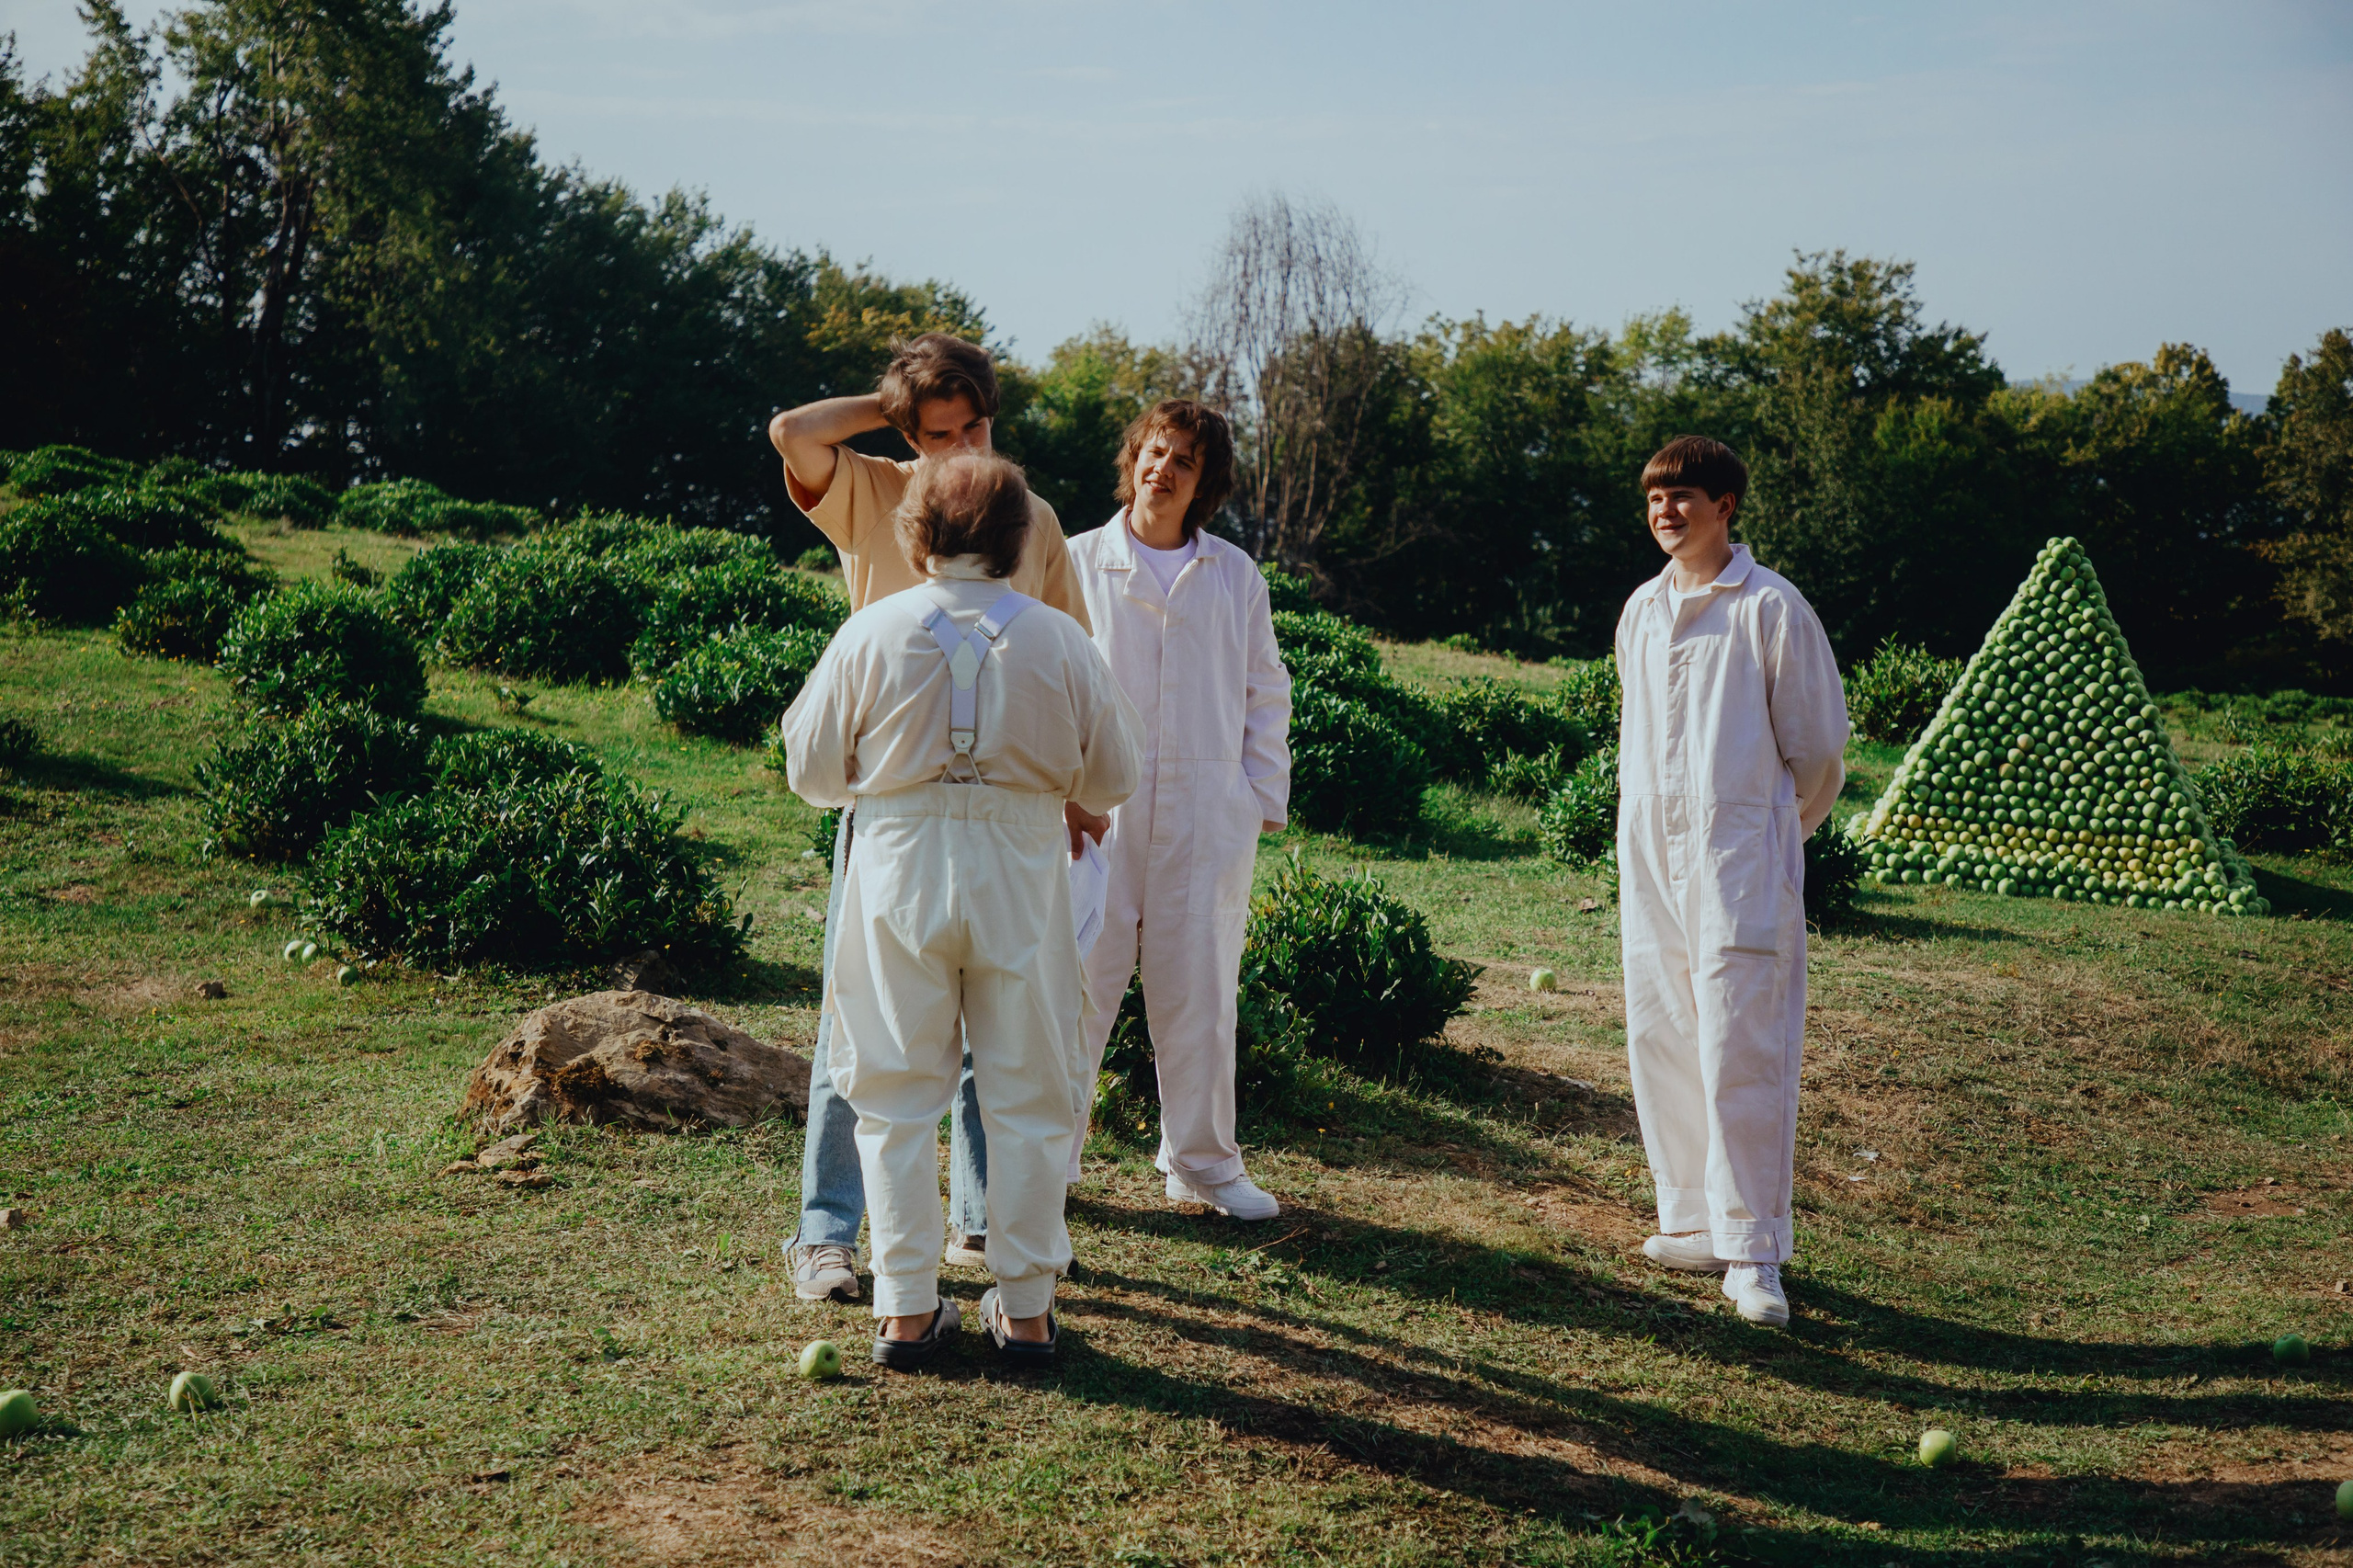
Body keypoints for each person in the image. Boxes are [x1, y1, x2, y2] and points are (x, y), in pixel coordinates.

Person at [778, 451, 1141, 1367]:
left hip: (897, 862)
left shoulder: (871, 629)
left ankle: (903, 1308)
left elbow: (812, 770)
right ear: (1019, 539)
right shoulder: (1061, 639)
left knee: (894, 1090)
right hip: (1019, 868)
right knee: (1027, 1089)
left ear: (914, 530)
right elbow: (1113, 776)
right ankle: (1024, 1310)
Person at [1615, 436, 1848, 1327]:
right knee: (1664, 1028)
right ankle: (1693, 1216)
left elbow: (1819, 750)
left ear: (1725, 506)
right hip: (1652, 858)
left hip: (1738, 862)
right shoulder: (1641, 610)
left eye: (1682, 497)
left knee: (1739, 1047)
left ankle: (1755, 1252)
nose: (1665, 512)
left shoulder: (1770, 608)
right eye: (1653, 500)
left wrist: (1769, 834)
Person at [1066, 401, 1291, 1221]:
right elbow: (1040, 677)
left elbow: (1266, 687)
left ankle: (1200, 1160)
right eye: (1155, 452)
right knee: (1077, 982)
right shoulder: (1074, 560)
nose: (1164, 469)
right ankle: (1050, 1160)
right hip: (1092, 811)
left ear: (1205, 483)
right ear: (1132, 460)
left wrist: (1257, 799)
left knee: (1199, 988)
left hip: (1206, 814)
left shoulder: (1234, 575)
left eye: (1184, 461)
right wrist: (1056, 793)